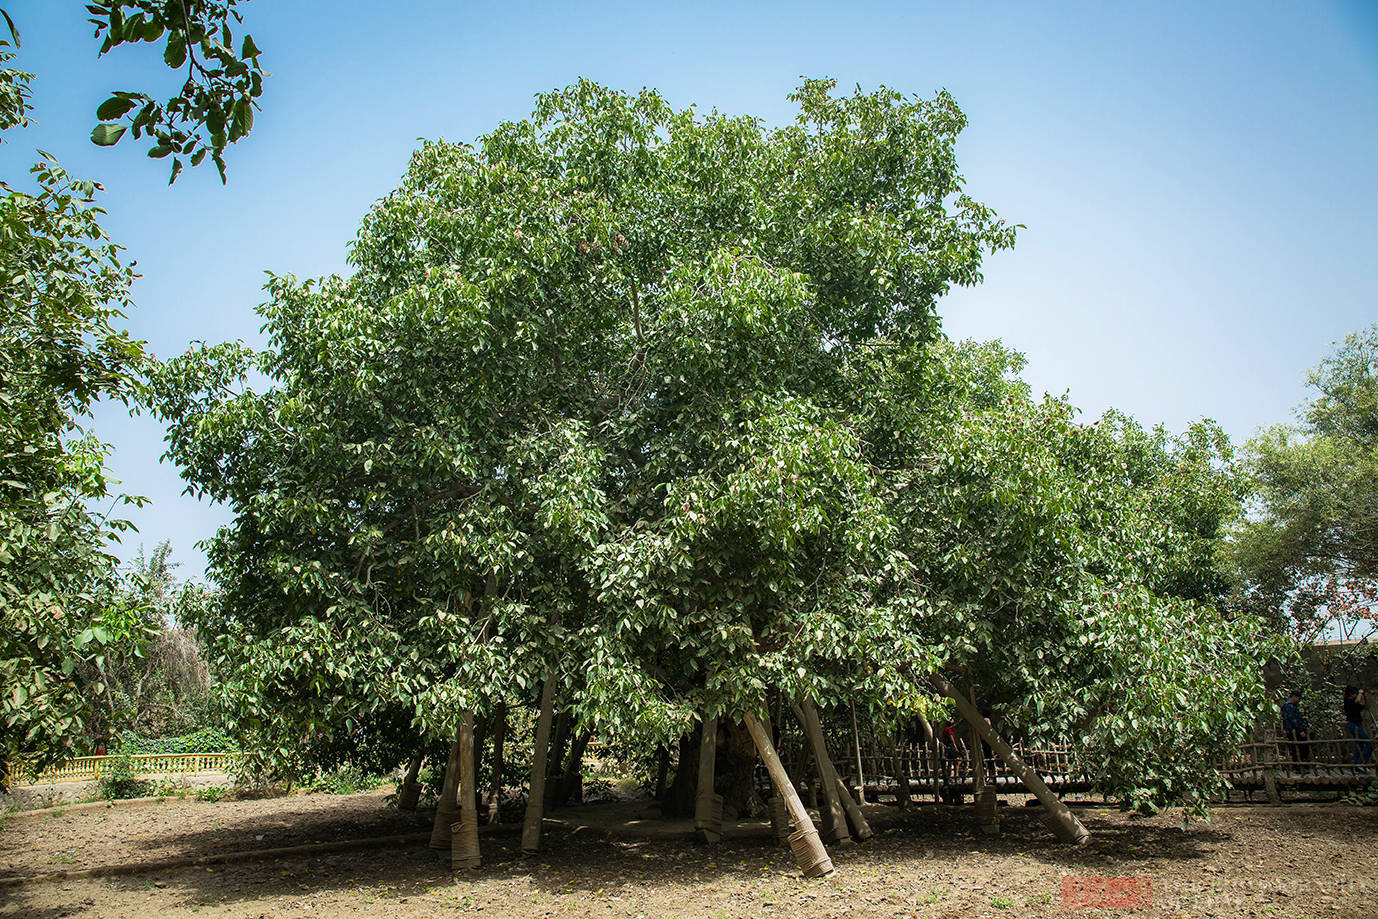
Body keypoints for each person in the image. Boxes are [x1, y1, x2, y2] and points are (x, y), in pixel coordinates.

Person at [1343, 685, 1373, 766]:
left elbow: (1366, 707)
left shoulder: (1355, 703)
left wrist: (1366, 698)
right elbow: (1356, 701)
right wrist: (1360, 693)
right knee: (1368, 743)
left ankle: (1357, 764)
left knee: (1359, 744)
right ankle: (1360, 763)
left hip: (1358, 723)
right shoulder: (1347, 701)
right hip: (1352, 724)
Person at [1280, 690, 1310, 770]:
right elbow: (1293, 720)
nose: (1298, 700)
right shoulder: (1289, 706)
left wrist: (1302, 718)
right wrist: (1300, 730)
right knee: (1299, 749)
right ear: (1294, 697)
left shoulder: (1291, 706)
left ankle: (1300, 766)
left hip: (1294, 729)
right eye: (1298, 698)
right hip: (1293, 730)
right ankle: (1299, 767)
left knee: (1298, 748)